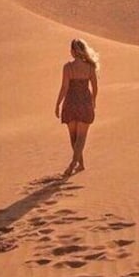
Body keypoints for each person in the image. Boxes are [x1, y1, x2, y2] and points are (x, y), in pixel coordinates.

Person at [54, 38, 99, 177]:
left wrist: (58, 104)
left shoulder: (68, 67)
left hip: (71, 103)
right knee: (81, 137)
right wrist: (93, 101)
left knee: (73, 137)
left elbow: (64, 87)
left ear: (73, 51)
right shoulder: (90, 67)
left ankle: (75, 163)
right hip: (84, 102)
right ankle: (79, 163)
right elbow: (95, 88)